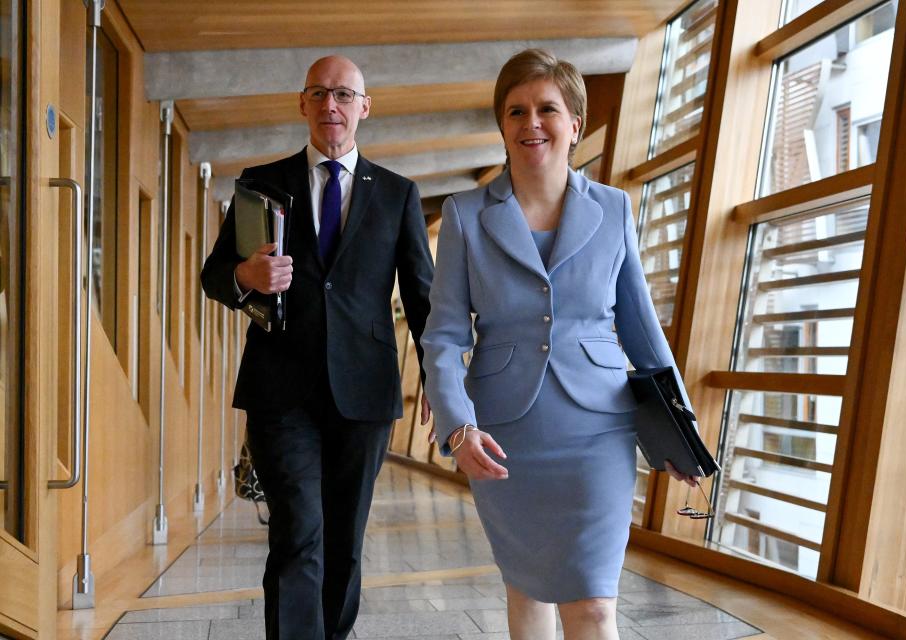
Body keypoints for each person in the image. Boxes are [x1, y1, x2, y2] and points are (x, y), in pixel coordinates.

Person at [421, 48, 698, 640]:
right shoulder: (467, 215)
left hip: (599, 430)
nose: (531, 123)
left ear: (575, 123)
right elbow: (443, 336)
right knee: (527, 590)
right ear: (502, 125)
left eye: (547, 108)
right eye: (516, 111)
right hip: (503, 434)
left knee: (595, 604)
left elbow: (642, 328)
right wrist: (456, 426)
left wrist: (682, 430)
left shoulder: (615, 208)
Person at [201, 55, 434, 640]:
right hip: (281, 390)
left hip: (366, 391)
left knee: (344, 539)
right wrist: (245, 279)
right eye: (319, 93)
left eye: (344, 95)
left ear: (364, 107)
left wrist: (439, 379)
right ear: (302, 104)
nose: (332, 105)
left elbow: (423, 296)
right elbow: (213, 276)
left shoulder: (399, 194)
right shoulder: (260, 184)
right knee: (298, 532)